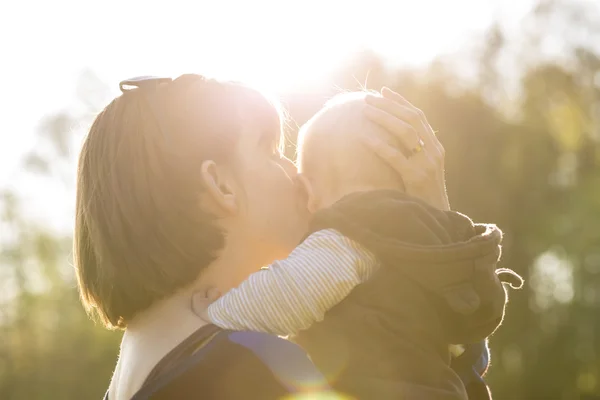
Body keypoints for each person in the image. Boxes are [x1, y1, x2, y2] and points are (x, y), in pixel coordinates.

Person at [72, 74, 478, 400]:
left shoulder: (128, 383)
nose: (298, 177)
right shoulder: (260, 370)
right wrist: (431, 228)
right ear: (221, 185)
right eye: (271, 152)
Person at [197, 91, 523, 400]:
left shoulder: (352, 232)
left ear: (310, 193)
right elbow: (471, 352)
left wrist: (212, 319)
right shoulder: (429, 245)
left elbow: (288, 292)